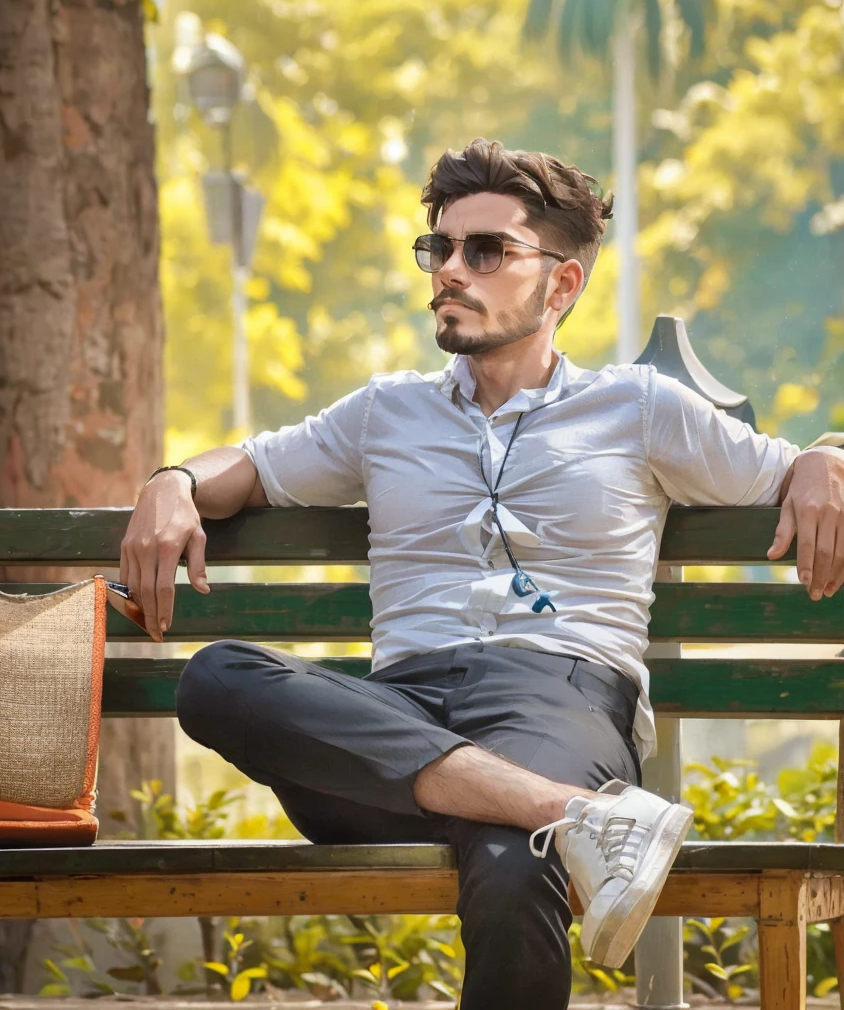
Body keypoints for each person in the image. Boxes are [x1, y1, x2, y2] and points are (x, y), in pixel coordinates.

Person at [121, 139, 844, 1008]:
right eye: (440, 247)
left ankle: (552, 816)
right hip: (397, 709)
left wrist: (829, 456)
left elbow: (784, 469)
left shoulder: (639, 408)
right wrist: (173, 481)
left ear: (562, 284)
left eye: (486, 250)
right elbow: (252, 466)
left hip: (559, 697)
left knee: (510, 867)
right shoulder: (387, 410)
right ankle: (581, 822)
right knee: (218, 678)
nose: (449, 270)